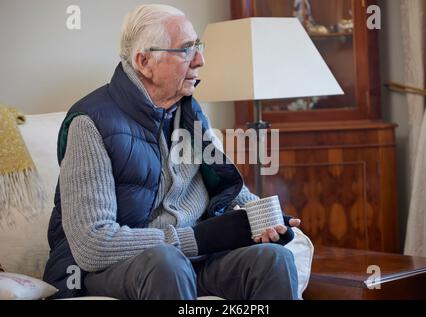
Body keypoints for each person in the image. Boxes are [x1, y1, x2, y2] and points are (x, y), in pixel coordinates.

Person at [43, 4, 301, 300]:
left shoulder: (189, 113)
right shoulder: (90, 123)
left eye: (199, 47)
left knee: (272, 260)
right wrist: (199, 238)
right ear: (144, 61)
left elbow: (232, 191)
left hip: (189, 261)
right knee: (167, 262)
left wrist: (268, 220)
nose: (201, 60)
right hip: (109, 271)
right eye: (186, 50)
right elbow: (93, 245)